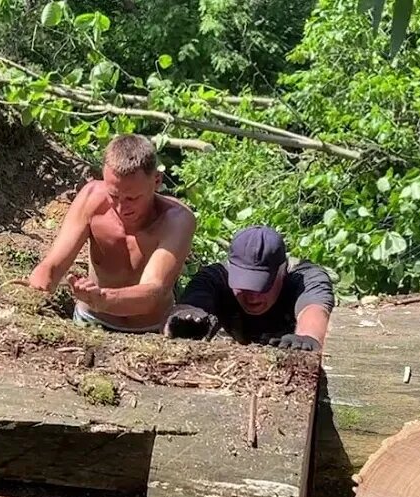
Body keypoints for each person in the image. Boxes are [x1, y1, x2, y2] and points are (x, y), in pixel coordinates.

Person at [28, 134, 195, 332]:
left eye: (132, 198)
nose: (121, 207)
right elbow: (52, 265)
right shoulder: (91, 199)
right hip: (90, 320)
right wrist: (34, 297)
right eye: (113, 195)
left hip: (150, 330)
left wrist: (103, 299)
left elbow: (153, 292)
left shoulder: (177, 220)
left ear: (157, 181)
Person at [164, 225, 334, 350]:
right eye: (243, 286)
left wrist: (307, 337)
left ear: (282, 271)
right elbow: (192, 303)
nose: (252, 298)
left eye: (262, 287)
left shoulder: (305, 277)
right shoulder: (215, 277)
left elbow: (314, 308)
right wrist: (184, 318)